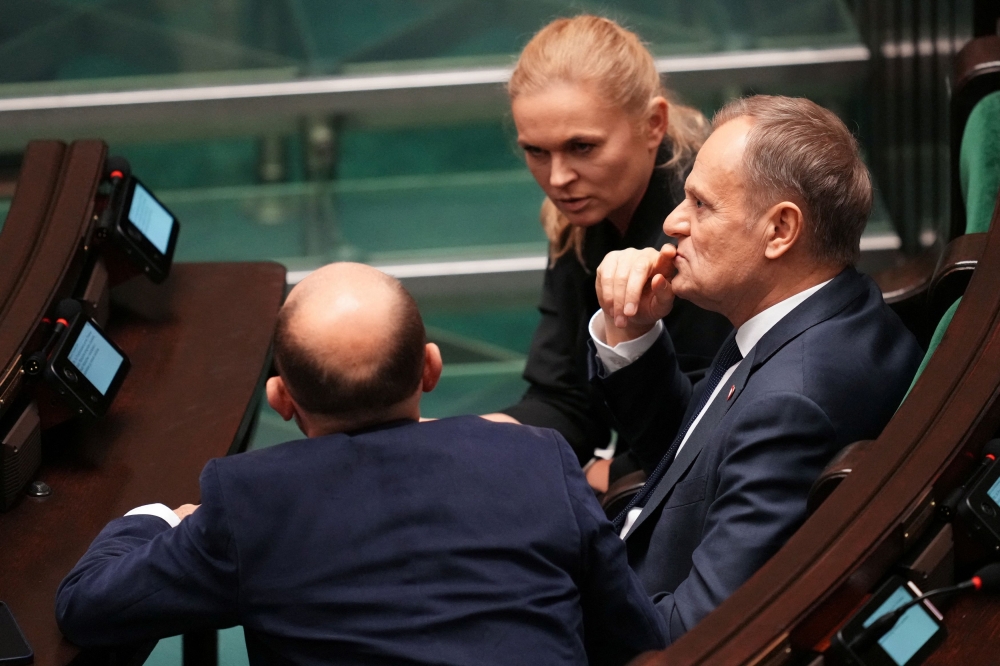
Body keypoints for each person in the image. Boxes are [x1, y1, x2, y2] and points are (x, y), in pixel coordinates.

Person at [55, 263, 666, 665]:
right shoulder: (537, 458)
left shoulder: (249, 502)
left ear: (282, 400)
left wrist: (161, 518)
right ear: (431, 367)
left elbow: (88, 607)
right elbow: (632, 635)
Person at [589, 95, 923, 644]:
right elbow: (692, 457)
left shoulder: (792, 405)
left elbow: (699, 634)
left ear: (780, 231)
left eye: (701, 205)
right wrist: (633, 330)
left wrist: (559, 583)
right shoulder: (824, 311)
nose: (673, 222)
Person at [483, 15, 732, 485]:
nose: (557, 179)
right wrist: (462, 436)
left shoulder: (707, 223)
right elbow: (564, 402)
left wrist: (614, 475)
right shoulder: (578, 220)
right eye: (536, 151)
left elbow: (722, 415)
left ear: (653, 124)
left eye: (582, 147)